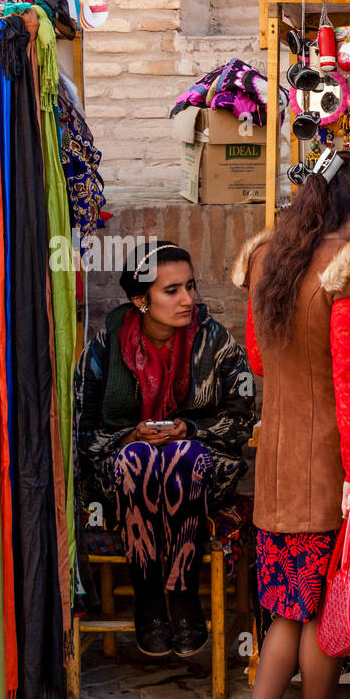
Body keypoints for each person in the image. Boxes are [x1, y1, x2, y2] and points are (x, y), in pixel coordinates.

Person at [228, 149, 350, 699]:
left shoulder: (269, 259)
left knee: (287, 609)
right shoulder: (349, 275)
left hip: (278, 461)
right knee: (324, 614)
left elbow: (261, 361)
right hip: (331, 467)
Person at [75, 242, 256, 659]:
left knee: (182, 456)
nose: (188, 300)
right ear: (141, 300)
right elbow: (82, 429)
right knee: (140, 458)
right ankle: (150, 597)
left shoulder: (216, 343)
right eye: (172, 291)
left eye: (190, 287)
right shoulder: (105, 349)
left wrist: (188, 429)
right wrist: (129, 436)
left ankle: (182, 593)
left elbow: (241, 419)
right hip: (122, 472)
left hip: (201, 469)